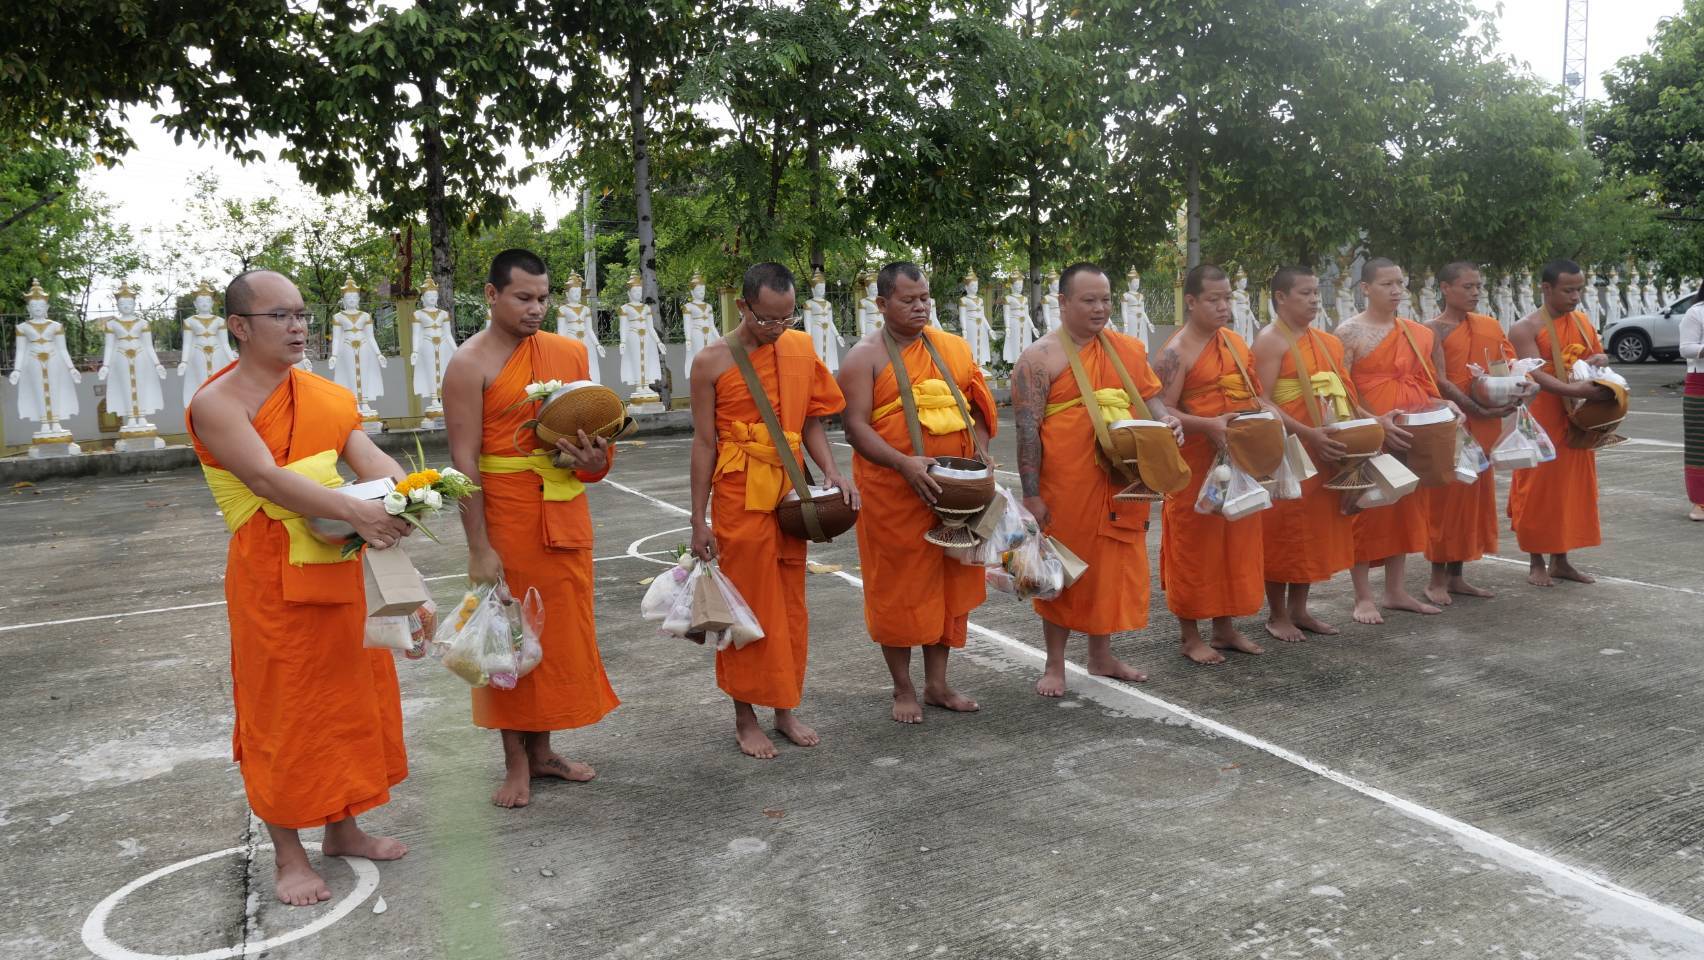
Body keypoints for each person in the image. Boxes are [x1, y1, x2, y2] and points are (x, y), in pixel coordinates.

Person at [187, 269, 411, 906]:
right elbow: (265, 479)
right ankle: (288, 854)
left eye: (302, 315)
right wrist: (357, 512)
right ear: (239, 327)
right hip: (269, 576)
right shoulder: (217, 403)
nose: (297, 328)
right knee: (282, 711)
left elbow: (369, 459)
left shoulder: (324, 396)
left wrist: (408, 496)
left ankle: (344, 829)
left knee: (348, 699)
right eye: (280, 316)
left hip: (336, 562)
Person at [441, 248, 620, 808]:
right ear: (491, 295)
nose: (536, 309)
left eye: (543, 298)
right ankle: (514, 761)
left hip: (562, 511)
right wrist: (478, 547)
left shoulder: (568, 352)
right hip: (507, 517)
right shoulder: (469, 364)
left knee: (558, 636)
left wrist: (593, 460)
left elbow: (596, 434)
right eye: (523, 298)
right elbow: (464, 465)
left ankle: (543, 752)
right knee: (509, 639)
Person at [688, 262, 853, 758]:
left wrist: (832, 471)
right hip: (740, 495)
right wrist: (698, 518)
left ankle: (784, 708)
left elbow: (812, 421)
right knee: (744, 607)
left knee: (789, 606)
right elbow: (704, 443)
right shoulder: (710, 362)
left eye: (787, 318)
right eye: (767, 319)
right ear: (743, 306)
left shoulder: (799, 348)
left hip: (789, 493)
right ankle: (745, 718)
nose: (778, 328)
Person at [1011, 262, 1183, 696]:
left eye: (1105, 299)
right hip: (1068, 484)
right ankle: (1054, 664)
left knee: (1111, 569)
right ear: (1063, 302)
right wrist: (1031, 496)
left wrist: (1168, 422)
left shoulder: (1127, 350)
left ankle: (1101, 655)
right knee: (1063, 571)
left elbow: (1151, 400)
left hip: (1120, 477)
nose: (1100, 308)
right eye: (1089, 300)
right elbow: (1027, 430)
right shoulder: (1039, 358)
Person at [838, 262, 996, 722]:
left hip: (955, 494)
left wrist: (981, 455)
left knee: (948, 585)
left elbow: (977, 408)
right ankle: (902, 688)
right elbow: (855, 428)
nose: (920, 307)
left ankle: (937, 685)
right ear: (882, 303)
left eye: (924, 297)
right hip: (894, 493)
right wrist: (904, 464)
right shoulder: (864, 358)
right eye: (908, 300)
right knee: (899, 590)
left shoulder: (952, 348)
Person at [1153, 264, 1270, 664]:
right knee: (1194, 546)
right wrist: (1207, 425)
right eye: (1213, 299)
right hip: (1194, 464)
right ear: (1191, 301)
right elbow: (1160, 409)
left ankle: (1224, 628)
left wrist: (1265, 419)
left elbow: (1253, 394)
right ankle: (1190, 635)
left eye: (1227, 298)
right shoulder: (1175, 352)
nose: (1223, 307)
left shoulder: (1235, 343)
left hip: (1236, 457)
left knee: (1234, 541)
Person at [1335, 258, 1460, 624]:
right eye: (1386, 284)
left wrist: (1444, 404)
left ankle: (1395, 591)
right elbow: (1340, 392)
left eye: (1400, 284)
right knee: (1367, 512)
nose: (1396, 291)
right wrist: (1375, 423)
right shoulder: (1349, 333)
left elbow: (1424, 384)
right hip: (1370, 434)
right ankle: (1363, 597)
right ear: (1365, 288)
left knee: (1405, 509)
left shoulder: (1415, 332)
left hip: (1410, 433)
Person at [1252, 266, 1357, 642]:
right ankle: (1277, 614)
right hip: (1290, 448)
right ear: (1281, 297)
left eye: (1316, 292)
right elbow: (1261, 399)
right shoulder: (1270, 341)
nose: (1315, 300)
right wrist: (1308, 433)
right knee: (1284, 528)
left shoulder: (1327, 342)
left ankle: (1299, 609)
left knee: (1311, 530)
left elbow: (1343, 392)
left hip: (1324, 446)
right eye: (1305, 293)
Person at [1422, 262, 1531, 602]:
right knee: (1447, 500)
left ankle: (1457, 576)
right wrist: (1476, 408)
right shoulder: (1432, 330)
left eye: (1478, 286)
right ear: (1445, 288)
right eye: (1467, 286)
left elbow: (1507, 365)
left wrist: (1517, 387)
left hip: (1485, 421)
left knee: (1472, 500)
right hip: (1452, 421)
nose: (1475, 293)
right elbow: (1439, 380)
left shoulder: (1488, 326)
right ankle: (1435, 580)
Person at [1508, 259, 1614, 585]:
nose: (1576, 297)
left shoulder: (1581, 321)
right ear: (1546, 288)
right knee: (1537, 489)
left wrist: (1600, 360)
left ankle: (1561, 560)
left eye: (1579, 289)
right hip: (1541, 418)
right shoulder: (1525, 328)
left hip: (1576, 417)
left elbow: (1595, 356)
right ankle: (1535, 563)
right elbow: (1533, 372)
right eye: (1568, 290)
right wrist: (1572, 390)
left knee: (1570, 491)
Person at [1680, 282, 1704, 520]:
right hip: (1700, 385)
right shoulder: (1696, 313)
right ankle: (1700, 502)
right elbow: (1686, 348)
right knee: (1700, 445)